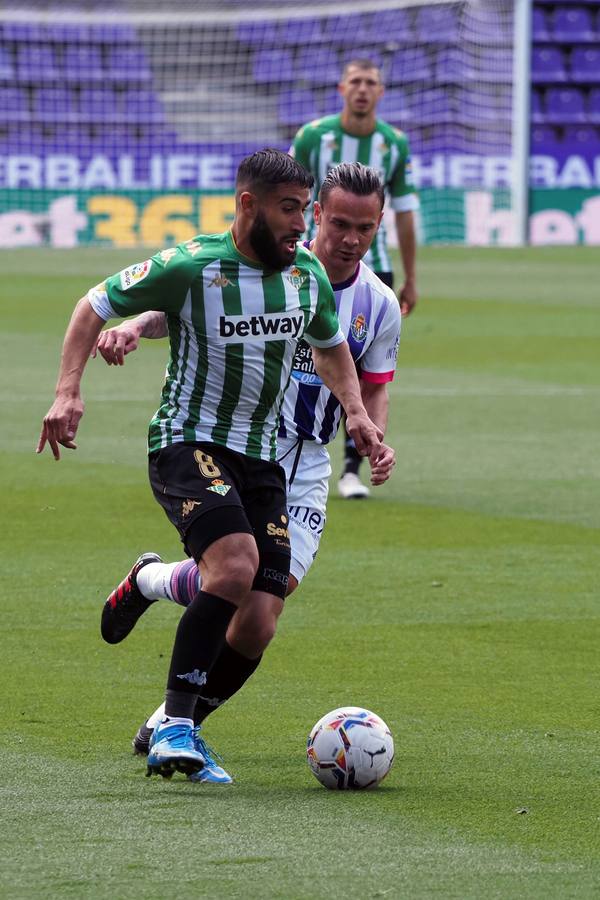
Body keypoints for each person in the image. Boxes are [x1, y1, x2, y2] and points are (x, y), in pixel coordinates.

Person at [37, 148, 384, 783]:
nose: (300, 226)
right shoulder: (193, 267)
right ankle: (174, 725)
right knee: (234, 566)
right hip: (187, 441)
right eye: (289, 210)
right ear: (247, 204)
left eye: (304, 211)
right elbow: (93, 305)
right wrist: (68, 391)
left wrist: (357, 415)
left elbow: (330, 345)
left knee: (257, 621)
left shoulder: (304, 273)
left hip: (261, 459)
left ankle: (152, 598)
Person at [291, 57, 419, 499]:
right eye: (356, 82)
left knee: (365, 369)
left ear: (381, 92)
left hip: (373, 268)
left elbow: (404, 213)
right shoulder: (313, 137)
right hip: (308, 264)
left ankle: (350, 465)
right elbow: (286, 192)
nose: (363, 89)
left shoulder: (394, 144)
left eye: (372, 83)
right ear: (342, 88)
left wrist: (411, 275)